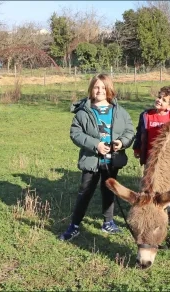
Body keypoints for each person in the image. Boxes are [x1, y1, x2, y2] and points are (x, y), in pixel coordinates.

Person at [59, 73, 135, 241]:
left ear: (109, 89)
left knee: (109, 192)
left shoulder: (120, 112)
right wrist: (96, 145)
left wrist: (121, 143)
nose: (100, 90)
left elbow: (130, 131)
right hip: (92, 161)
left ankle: (108, 222)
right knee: (85, 193)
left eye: (103, 87)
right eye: (96, 87)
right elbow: (75, 133)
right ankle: (75, 225)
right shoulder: (83, 112)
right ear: (91, 89)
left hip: (112, 162)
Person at [133, 85, 170, 224]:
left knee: (169, 183)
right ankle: (147, 207)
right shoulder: (147, 115)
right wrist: (137, 149)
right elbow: (140, 133)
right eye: (159, 97)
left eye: (164, 100)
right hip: (150, 156)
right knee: (149, 182)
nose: (159, 100)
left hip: (169, 159)